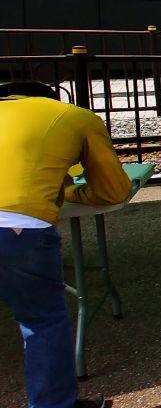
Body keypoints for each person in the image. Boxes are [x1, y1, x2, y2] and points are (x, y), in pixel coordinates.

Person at [0, 81, 130, 408]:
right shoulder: (74, 116)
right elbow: (114, 190)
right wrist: (70, 192)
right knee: (41, 319)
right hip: (20, 228)